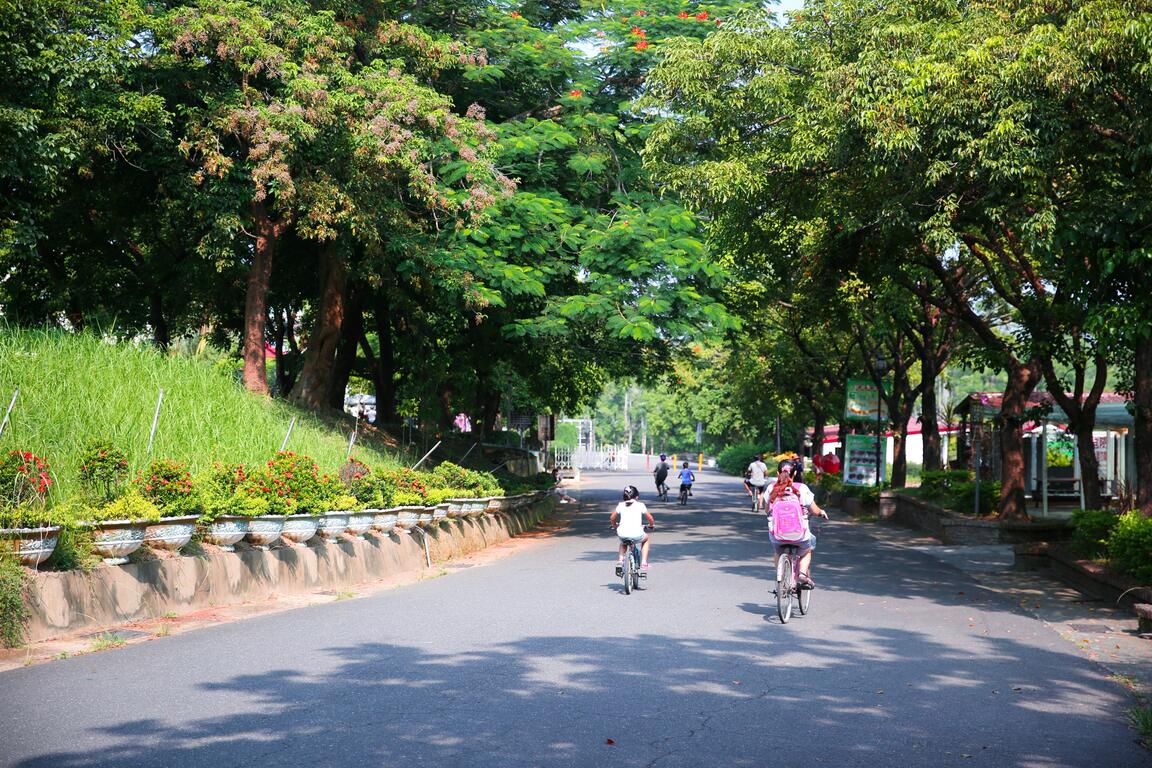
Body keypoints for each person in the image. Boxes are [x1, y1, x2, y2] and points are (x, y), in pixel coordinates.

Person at [765, 458, 828, 588]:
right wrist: (821, 512)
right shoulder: (802, 488)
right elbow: (815, 511)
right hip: (799, 536)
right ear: (794, 474)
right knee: (807, 551)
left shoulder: (772, 488)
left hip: (777, 536)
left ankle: (781, 576)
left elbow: (767, 510)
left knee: (778, 552)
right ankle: (802, 574)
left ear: (778, 474)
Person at [611, 485, 655, 573]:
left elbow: (612, 518)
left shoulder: (620, 505)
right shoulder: (640, 505)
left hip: (622, 533)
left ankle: (620, 560)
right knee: (646, 539)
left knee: (623, 542)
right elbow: (650, 518)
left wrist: (615, 525)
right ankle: (644, 562)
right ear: (637, 497)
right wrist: (651, 525)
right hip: (637, 534)